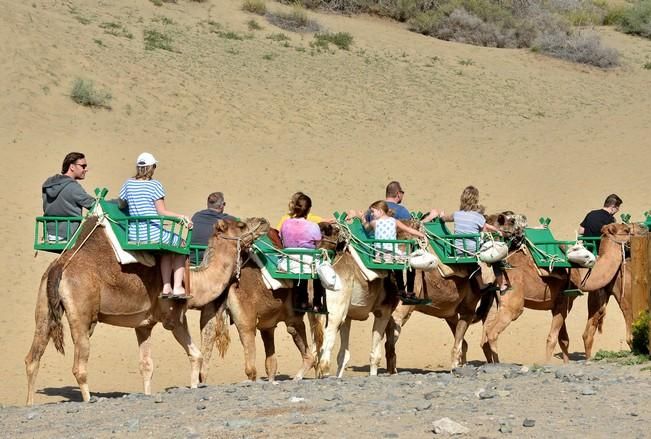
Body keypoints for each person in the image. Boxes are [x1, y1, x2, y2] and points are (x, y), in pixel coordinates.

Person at [119, 152, 193, 300]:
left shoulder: (127, 184)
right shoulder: (155, 185)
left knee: (166, 250)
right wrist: (182, 216)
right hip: (153, 233)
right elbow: (161, 212)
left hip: (135, 233)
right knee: (181, 245)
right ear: (152, 167)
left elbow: (121, 204)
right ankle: (176, 286)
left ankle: (166, 287)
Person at [436, 185, 509, 294]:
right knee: (495, 260)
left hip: (458, 250)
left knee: (470, 258)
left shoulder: (456, 214)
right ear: (476, 200)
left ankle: (482, 285)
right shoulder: (479, 217)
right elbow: (484, 233)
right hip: (472, 251)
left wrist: (441, 216)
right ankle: (502, 285)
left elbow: (444, 218)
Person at [280, 193, 325, 313]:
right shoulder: (313, 226)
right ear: (309, 210)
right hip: (307, 261)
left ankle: (302, 300)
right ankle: (317, 302)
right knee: (320, 264)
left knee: (300, 269)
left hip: (289, 261)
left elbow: (282, 240)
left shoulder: (285, 224)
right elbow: (318, 245)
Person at [42, 152, 95, 240]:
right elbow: (94, 204)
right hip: (66, 234)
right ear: (72, 167)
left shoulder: (48, 184)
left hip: (49, 234)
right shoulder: (73, 187)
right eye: (83, 166)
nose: (86, 169)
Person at [363, 200, 426, 265]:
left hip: (379, 253)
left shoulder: (374, 223)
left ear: (380, 211)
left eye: (373, 211)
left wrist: (362, 218)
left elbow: (366, 228)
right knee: (406, 254)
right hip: (393, 252)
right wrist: (422, 235)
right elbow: (408, 229)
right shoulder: (394, 221)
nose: (371, 214)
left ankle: (385, 257)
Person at [190, 192, 236, 264]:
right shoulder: (229, 220)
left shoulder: (196, 216)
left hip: (193, 260)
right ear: (222, 205)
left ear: (208, 204)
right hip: (213, 263)